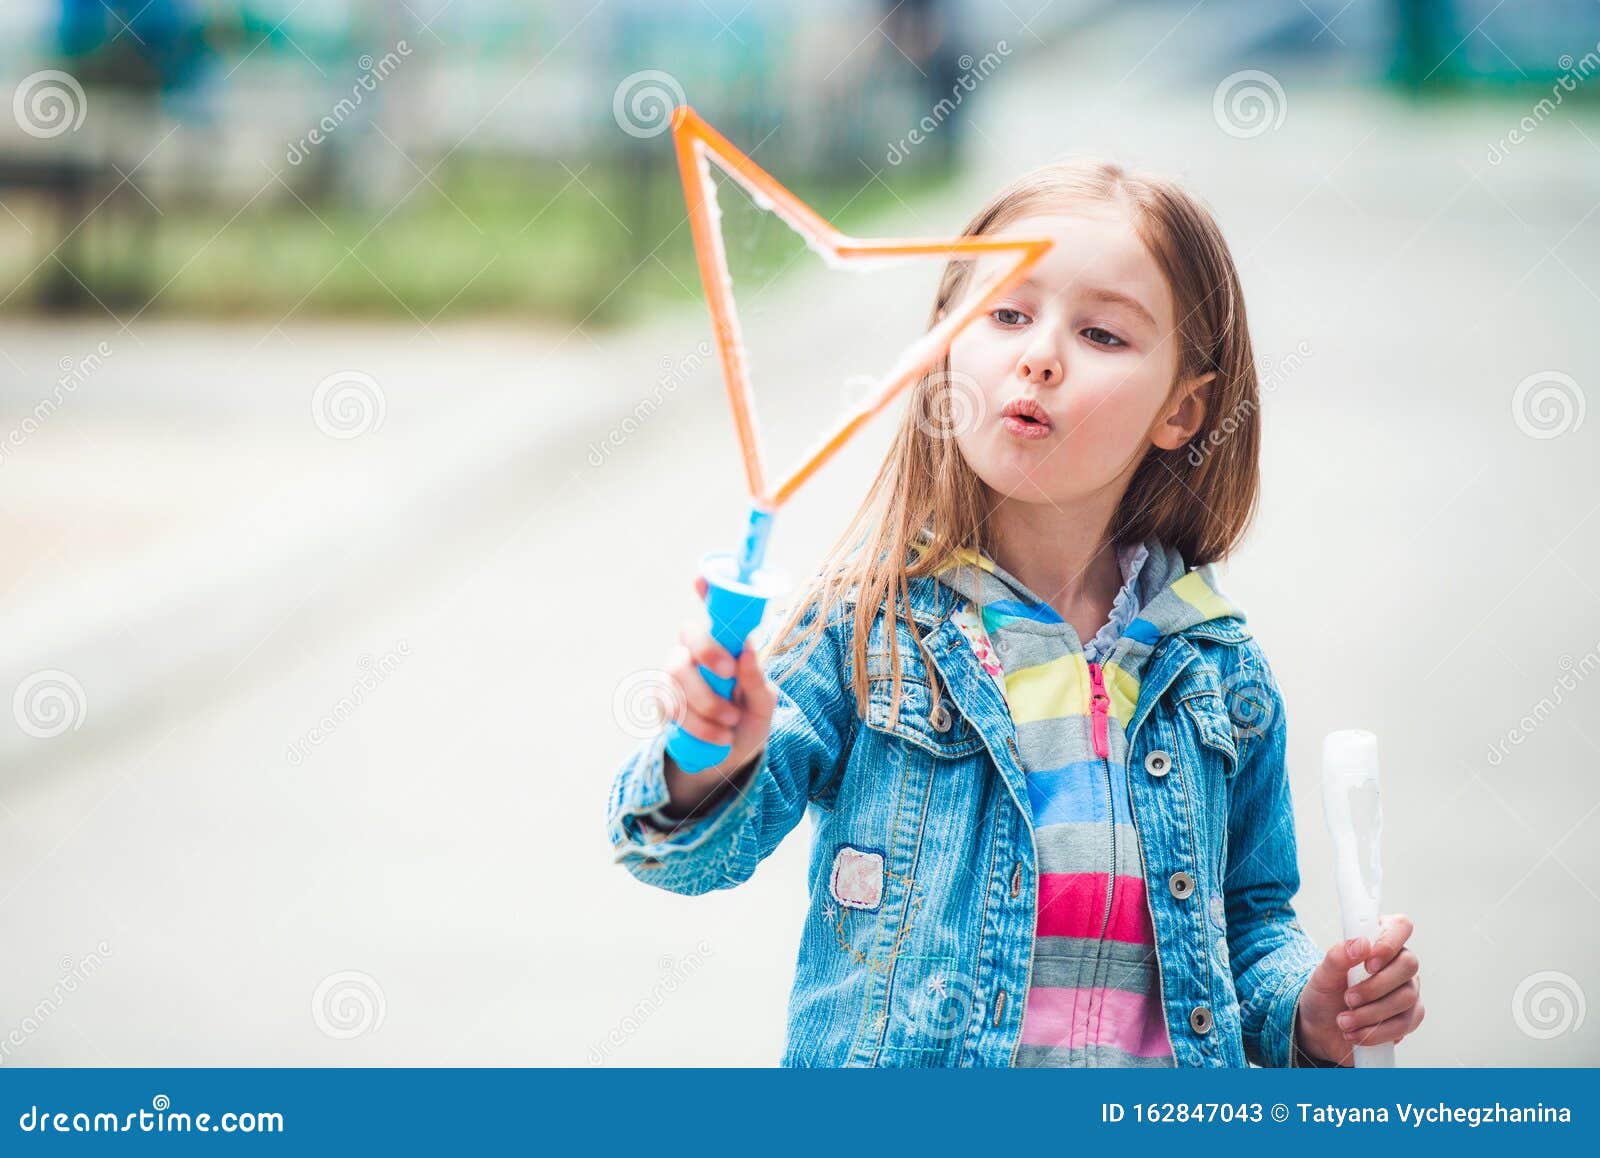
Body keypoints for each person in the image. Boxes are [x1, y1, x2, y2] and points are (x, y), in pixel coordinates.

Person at [604, 158, 1424, 1067]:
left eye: (1103, 334)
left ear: (1184, 410)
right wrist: (706, 756)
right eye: (1005, 313)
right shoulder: (867, 629)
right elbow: (684, 858)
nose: (1040, 354)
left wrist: (1308, 1014)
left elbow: (1251, 925)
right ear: (946, 346)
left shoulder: (1217, 669)